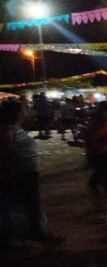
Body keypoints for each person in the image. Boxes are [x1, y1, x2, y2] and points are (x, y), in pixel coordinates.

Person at [0, 99, 62, 244]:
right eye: (24, 109)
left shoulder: (16, 129)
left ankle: (29, 234)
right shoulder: (7, 131)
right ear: (17, 113)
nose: (27, 111)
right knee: (28, 205)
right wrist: (6, 172)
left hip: (27, 172)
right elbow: (3, 154)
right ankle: (39, 235)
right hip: (19, 173)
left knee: (27, 205)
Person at [85, 101, 107, 222]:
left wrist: (90, 134)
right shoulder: (100, 121)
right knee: (102, 182)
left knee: (101, 181)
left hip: (105, 154)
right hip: (99, 153)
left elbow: (102, 136)